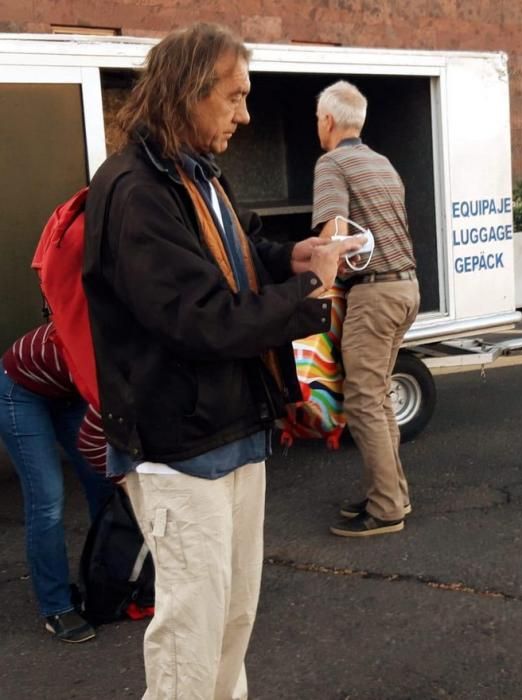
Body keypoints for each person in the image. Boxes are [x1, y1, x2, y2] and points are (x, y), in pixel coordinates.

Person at [82, 23, 360, 699]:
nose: (245, 114)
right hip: (180, 445)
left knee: (231, 619)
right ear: (186, 92)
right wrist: (311, 290)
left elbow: (240, 255)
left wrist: (293, 257)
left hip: (232, 428)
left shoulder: (194, 173)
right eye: (234, 97)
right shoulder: (136, 190)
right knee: (191, 632)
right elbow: (202, 320)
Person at [311, 80, 419, 538]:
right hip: (406, 287)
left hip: (374, 295)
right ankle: (392, 493)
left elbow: (334, 234)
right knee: (375, 398)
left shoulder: (332, 162)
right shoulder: (382, 161)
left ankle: (388, 507)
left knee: (362, 401)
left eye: (319, 120)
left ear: (329, 121)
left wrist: (314, 290)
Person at [0, 323, 114, 643]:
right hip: (19, 391)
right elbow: (103, 430)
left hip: (69, 389)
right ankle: (56, 606)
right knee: (47, 499)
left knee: (103, 486)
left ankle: (106, 584)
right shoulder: (107, 338)